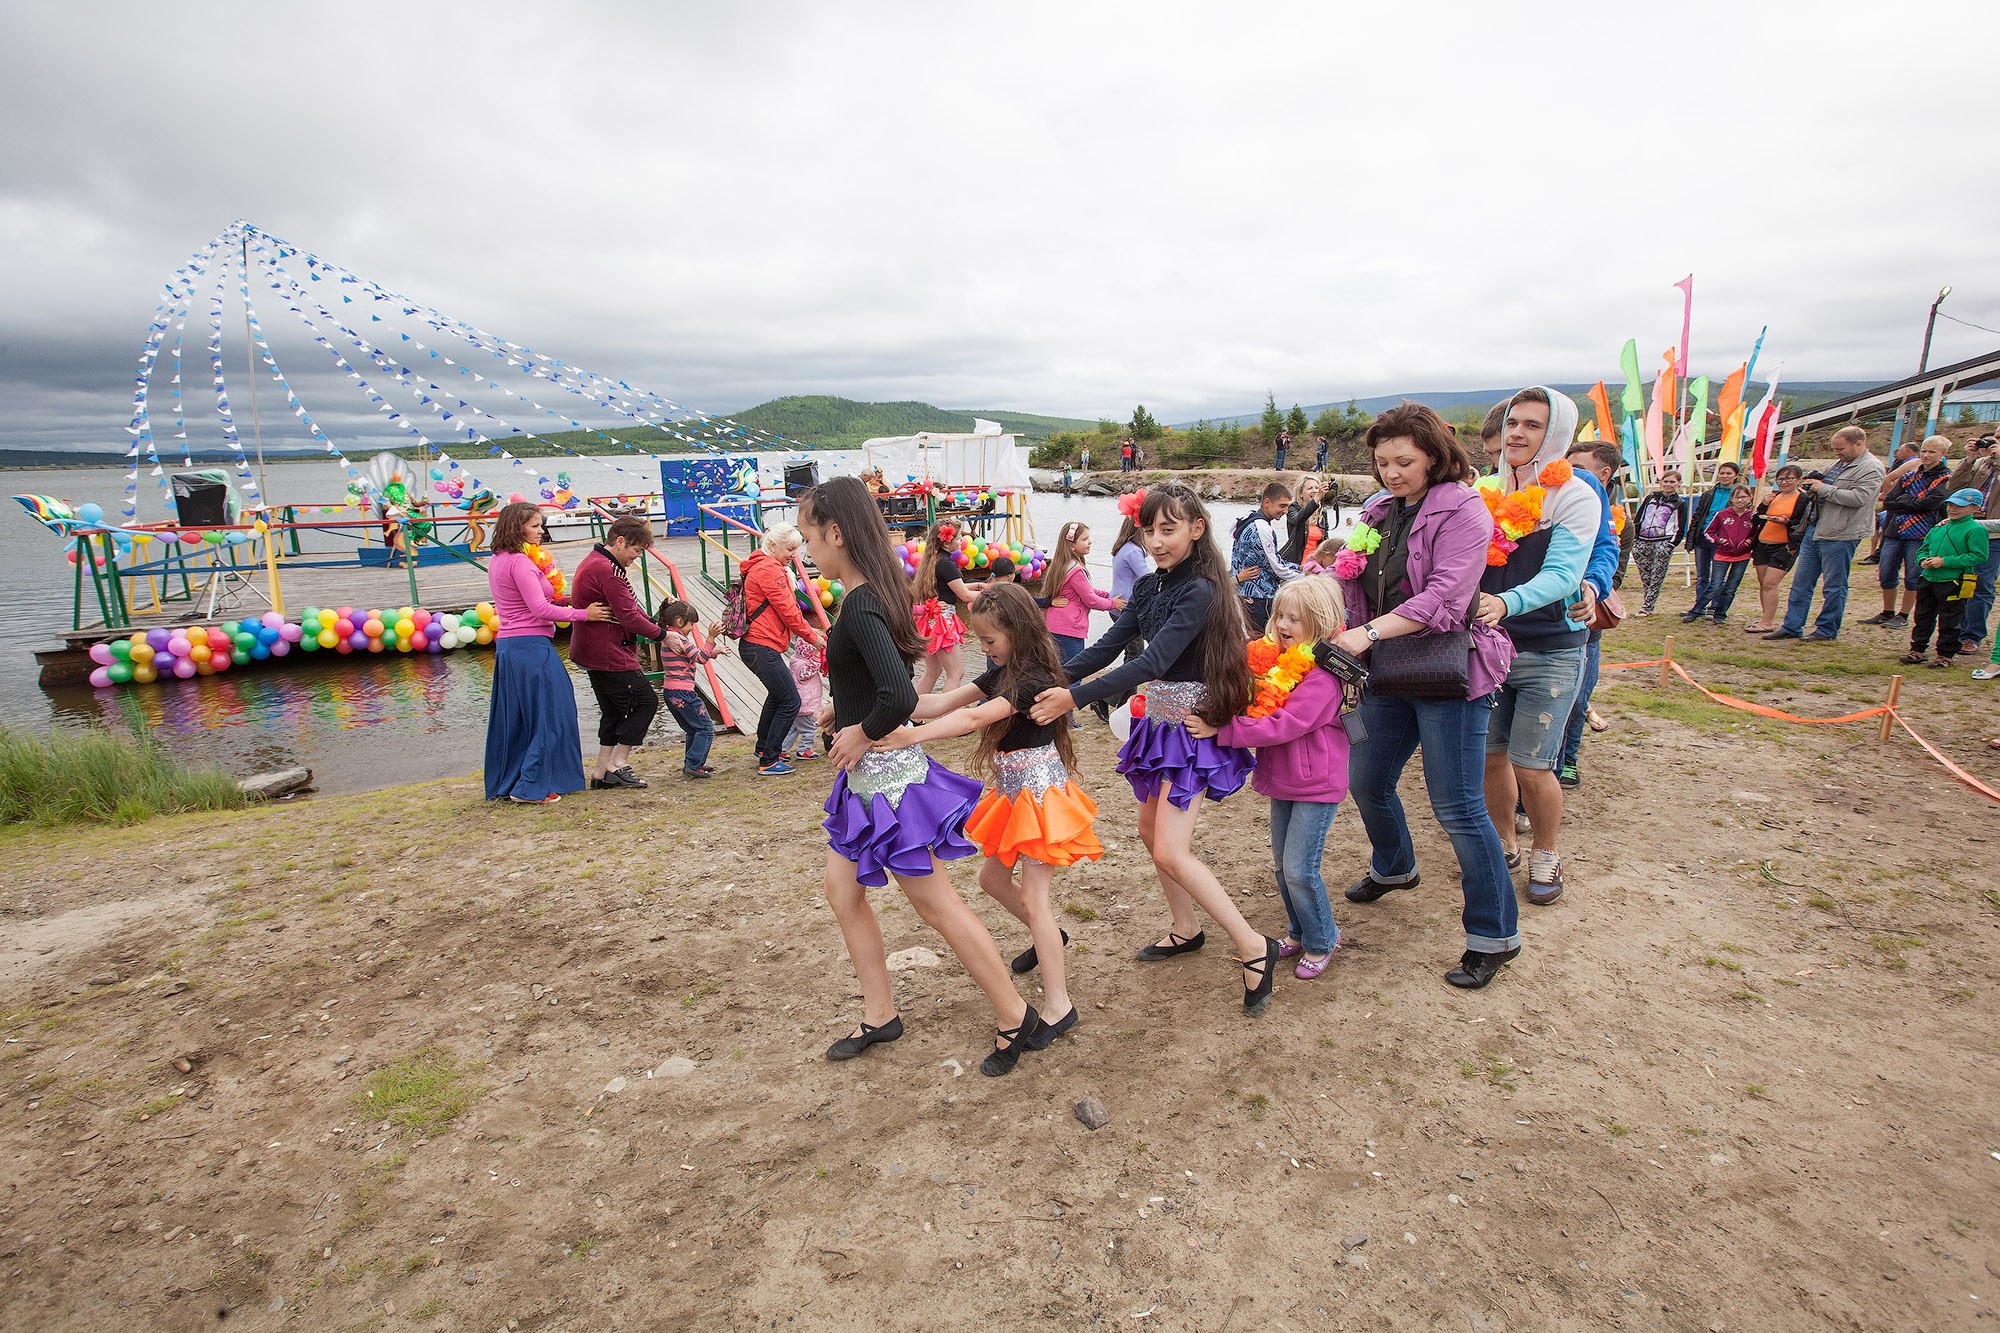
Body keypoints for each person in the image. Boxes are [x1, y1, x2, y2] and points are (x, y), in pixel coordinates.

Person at [798, 476, 1044, 1077]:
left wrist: (860, 729)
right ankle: (881, 1016)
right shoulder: (868, 594)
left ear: (835, 533)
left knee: (940, 907)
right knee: (843, 892)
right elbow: (878, 684)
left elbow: (896, 693)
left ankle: (1017, 1015)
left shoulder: (859, 602)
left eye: (809, 536)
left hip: (886, 781)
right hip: (865, 780)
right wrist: (843, 709)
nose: (807, 549)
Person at [1028, 481, 1278, 1016]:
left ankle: (1256, 947)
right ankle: (1186, 928)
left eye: (1169, 529)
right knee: (1148, 830)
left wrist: (1068, 696)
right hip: (1162, 723)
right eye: (1150, 529)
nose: (1158, 540)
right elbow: (1107, 646)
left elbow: (1152, 663)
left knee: (1170, 849)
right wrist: (1039, 678)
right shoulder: (1150, 588)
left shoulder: (1203, 590)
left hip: (1190, 726)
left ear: (1197, 528)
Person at [1330, 403, 1520, 989]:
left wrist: (1363, 635)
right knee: (1365, 778)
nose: (1391, 472)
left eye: (1404, 462)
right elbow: (1353, 580)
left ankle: (1494, 935)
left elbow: (1445, 595)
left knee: (1458, 806)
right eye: (1382, 461)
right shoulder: (1378, 510)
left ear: (1435, 456)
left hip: (1448, 673)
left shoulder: (1463, 507)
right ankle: (1394, 867)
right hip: (1387, 668)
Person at [878, 581, 1100, 1048]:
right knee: (992, 881)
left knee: (1036, 898)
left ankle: (1060, 1005)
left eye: (989, 641)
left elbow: (975, 719)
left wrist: (912, 738)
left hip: (1041, 798)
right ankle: (1049, 937)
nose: (984, 649)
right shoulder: (1003, 670)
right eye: (979, 640)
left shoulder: (1035, 676)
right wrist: (876, 709)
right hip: (1014, 793)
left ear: (1016, 632)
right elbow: (938, 703)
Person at [1188, 576, 1349, 980]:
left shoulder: (1324, 677)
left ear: (1322, 625)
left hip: (1316, 784)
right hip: (1284, 779)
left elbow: (1284, 723)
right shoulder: (1272, 663)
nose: (1282, 624)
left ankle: (1323, 939)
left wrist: (1223, 732)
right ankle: (1300, 930)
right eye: (1280, 615)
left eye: (1295, 619)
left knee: (1300, 868)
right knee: (1282, 865)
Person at [1477, 387, 1596, 906]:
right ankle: (1503, 844)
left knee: (1533, 764)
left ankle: (1546, 850)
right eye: (1512, 423)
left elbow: (1565, 573)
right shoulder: (1484, 490)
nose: (1517, 434)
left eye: (1532, 426)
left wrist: (1505, 604)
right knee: (1489, 757)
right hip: (1487, 649)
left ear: (1558, 435)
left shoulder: (1574, 495)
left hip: (1550, 647)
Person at [483, 502, 610, 804]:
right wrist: (584, 614)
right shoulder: (521, 562)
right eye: (535, 526)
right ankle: (531, 786)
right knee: (553, 713)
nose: (542, 531)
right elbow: (539, 609)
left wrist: (571, 599)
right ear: (518, 528)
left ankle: (513, 780)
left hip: (509, 648)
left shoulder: (498, 559)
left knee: (520, 719)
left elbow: (537, 600)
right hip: (531, 647)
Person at [568, 516, 666, 790]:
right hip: (608, 653)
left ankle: (601, 772)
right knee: (645, 701)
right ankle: (618, 763)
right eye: (636, 551)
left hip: (590, 651)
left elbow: (630, 607)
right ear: (620, 542)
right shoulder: (608, 571)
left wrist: (654, 622)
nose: (636, 558)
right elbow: (629, 617)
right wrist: (664, 635)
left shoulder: (596, 562)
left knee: (612, 712)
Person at [1765, 426, 1886, 642]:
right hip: (1815, 529)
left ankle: (1826, 629)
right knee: (1801, 583)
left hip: (1841, 533)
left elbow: (1860, 499)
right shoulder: (1839, 464)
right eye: (1834, 449)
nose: (1836, 453)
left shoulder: (1871, 468)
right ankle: (1792, 625)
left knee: (1833, 585)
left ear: (1858, 444)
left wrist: (1822, 488)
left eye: (1840, 448)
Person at [1556, 440, 1623, 788]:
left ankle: (1568, 759)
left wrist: (1594, 585)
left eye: (1579, 466)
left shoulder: (1600, 502)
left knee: (1578, 697)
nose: (1572, 473)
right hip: (1535, 623)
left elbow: (1609, 554)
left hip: (1583, 620)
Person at [733, 522, 826, 776]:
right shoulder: (770, 571)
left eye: (796, 550)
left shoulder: (762, 566)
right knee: (790, 700)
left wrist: (807, 631)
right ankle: (770, 759)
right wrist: (812, 637)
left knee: (777, 697)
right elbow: (789, 612)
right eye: (789, 549)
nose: (793, 555)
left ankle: (764, 748)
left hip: (758, 644)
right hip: (761, 644)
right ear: (773, 546)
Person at [1866, 434, 1954, 628]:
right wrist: (1913, 503)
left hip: (1921, 533)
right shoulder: (1908, 476)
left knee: (1913, 576)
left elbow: (1933, 503)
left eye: (1932, 452)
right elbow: (1889, 501)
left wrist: (1905, 502)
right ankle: (1887, 611)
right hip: (1895, 531)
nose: (1926, 455)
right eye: (1924, 451)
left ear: (1943, 454)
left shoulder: (1945, 478)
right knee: (1887, 573)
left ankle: (1904, 615)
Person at [1899, 488, 1991, 668]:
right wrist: (1922, 560)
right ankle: (1917, 649)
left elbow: (1979, 556)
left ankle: (1945, 654)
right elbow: (1923, 548)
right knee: (1923, 615)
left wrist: (1945, 561)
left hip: (1954, 580)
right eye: (1950, 505)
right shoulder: (1939, 527)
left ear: (1974, 508)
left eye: (1959, 506)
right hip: (1928, 578)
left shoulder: (1975, 530)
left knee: (1951, 619)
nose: (1953, 509)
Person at [656, 600, 726, 778]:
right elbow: (700, 657)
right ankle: (694, 765)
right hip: (684, 693)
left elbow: (695, 654)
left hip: (670, 691)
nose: (692, 628)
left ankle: (694, 761)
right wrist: (711, 638)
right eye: (691, 624)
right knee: (706, 728)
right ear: (680, 622)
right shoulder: (680, 639)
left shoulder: (669, 638)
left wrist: (715, 651)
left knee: (693, 729)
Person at [1040, 522, 1126, 663]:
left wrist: (1108, 595)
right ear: (1072, 545)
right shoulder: (1076, 570)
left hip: (1055, 624)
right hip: (1069, 627)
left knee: (1060, 669)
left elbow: (1087, 591)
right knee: (1073, 672)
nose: (1090, 541)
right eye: (1085, 539)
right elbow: (1091, 600)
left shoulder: (1062, 564)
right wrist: (1112, 604)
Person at [912, 520, 978, 695]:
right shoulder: (947, 564)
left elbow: (951, 588)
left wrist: (979, 585)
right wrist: (998, 592)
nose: (962, 540)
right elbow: (964, 595)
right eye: (958, 537)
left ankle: (913, 715)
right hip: (942, 621)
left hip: (928, 620)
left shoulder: (933, 560)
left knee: (932, 672)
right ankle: (949, 716)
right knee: (956, 673)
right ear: (947, 541)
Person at [1947, 435, 2000, 650]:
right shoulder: (1981, 463)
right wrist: (1969, 459)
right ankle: (1954, 630)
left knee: (1981, 585)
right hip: (1966, 529)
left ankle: (1972, 636)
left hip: (1993, 535)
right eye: (1994, 436)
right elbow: (1954, 486)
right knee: (1958, 580)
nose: (1994, 441)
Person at [1747, 465, 1810, 632]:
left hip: (1784, 546)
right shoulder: (1773, 497)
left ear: (1798, 480)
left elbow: (1801, 523)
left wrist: (1786, 522)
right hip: (1762, 544)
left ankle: (1767, 623)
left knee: (1770, 583)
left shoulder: (1802, 499)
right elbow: (1757, 518)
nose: (1784, 482)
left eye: (1789, 479)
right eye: (1781, 479)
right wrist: (1763, 505)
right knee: (1763, 583)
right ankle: (1765, 617)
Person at [1231, 481, 1298, 633]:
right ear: (1267, 502)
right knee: (1263, 640)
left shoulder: (1247, 519)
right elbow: (1276, 567)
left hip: (1243, 593)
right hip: (1260, 596)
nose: (1286, 511)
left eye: (1288, 506)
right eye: (1282, 506)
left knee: (1249, 638)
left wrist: (1298, 566)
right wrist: (1303, 576)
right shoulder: (1262, 529)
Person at [1683, 461, 1742, 620]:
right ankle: (1700, 605)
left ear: (1735, 475)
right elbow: (1698, 516)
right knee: (1702, 575)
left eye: (1728, 473)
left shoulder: (1738, 496)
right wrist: (1691, 538)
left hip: (1722, 539)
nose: (1724, 476)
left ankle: (1715, 606)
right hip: (1703, 537)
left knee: (1718, 576)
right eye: (1722, 473)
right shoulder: (1709, 494)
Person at [1631, 468, 1689, 616]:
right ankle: (1647, 600)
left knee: (1657, 574)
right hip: (1643, 540)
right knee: (1646, 574)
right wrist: (1635, 538)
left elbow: (1681, 526)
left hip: (1663, 541)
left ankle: (1647, 607)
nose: (1668, 484)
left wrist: (1670, 545)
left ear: (1678, 484)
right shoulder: (1651, 498)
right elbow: (1639, 517)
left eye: (1672, 482)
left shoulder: (1679, 503)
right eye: (1666, 481)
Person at [1697, 487, 1757, 626]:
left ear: (1750, 498)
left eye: (1743, 497)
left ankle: (1720, 614)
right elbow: (1709, 532)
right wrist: (1720, 540)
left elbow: (1756, 533)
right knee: (1715, 584)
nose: (1740, 500)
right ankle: (1696, 611)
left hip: (1742, 556)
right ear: (1731, 499)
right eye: (1737, 497)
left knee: (1730, 588)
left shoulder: (1753, 516)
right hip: (1723, 554)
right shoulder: (1722, 514)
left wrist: (1749, 541)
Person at [1863, 439, 1923, 563]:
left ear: (1908, 451)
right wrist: (1889, 495)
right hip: (1899, 504)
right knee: (1886, 528)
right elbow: (1888, 478)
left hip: (1906, 505)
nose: (1897, 453)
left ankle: (1879, 556)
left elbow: (1889, 478)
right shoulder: (1906, 463)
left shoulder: (1912, 463)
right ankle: (1878, 556)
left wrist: (1888, 494)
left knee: (1887, 529)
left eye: (1900, 450)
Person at [782, 635, 825, 762]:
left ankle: (781, 750)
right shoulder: (803, 665)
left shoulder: (795, 660)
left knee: (793, 729)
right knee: (810, 728)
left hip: (800, 705)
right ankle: (804, 750)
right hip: (805, 705)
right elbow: (808, 672)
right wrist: (818, 653)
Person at [1278, 475, 1326, 566]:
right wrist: (1316, 500)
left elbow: (1325, 542)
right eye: (1310, 488)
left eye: (1317, 488)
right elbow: (1298, 519)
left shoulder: (1322, 513)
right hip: (1295, 563)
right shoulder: (1293, 508)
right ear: (1300, 493)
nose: (1315, 491)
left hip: (1315, 564)